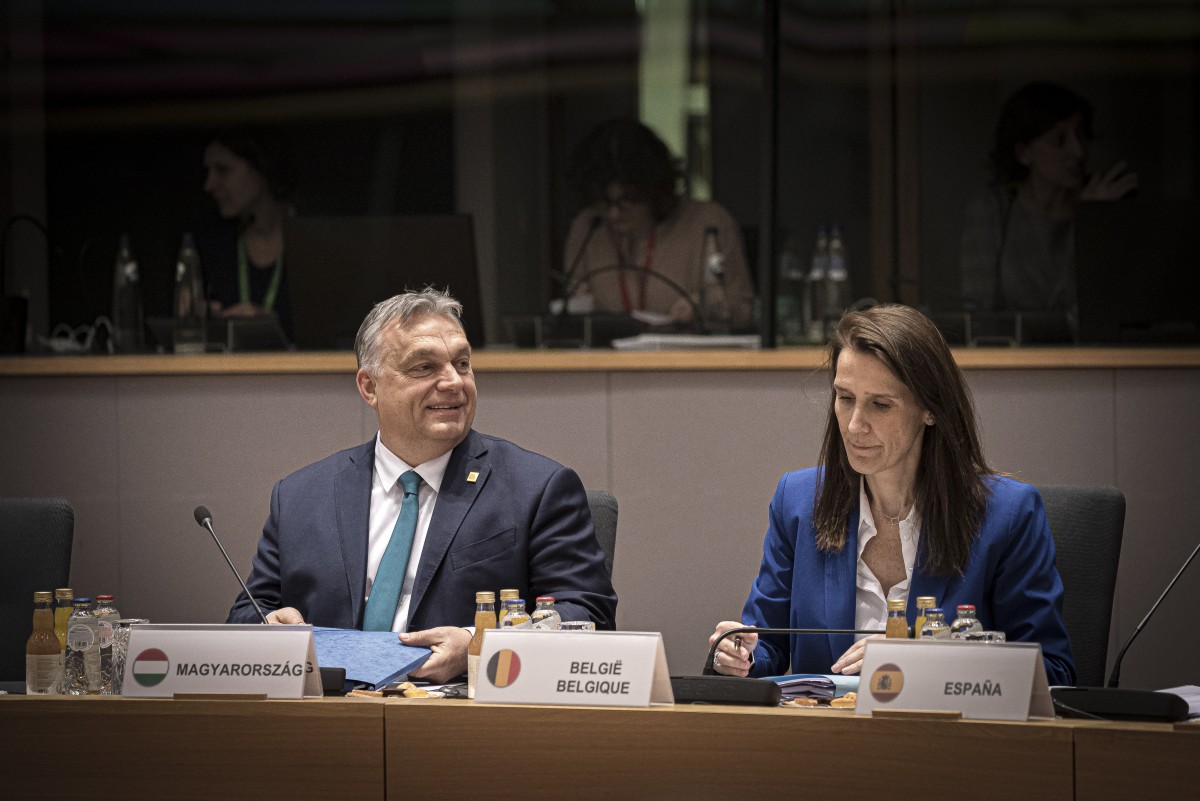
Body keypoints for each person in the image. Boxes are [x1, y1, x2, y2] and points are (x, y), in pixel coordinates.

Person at [227, 288, 617, 682]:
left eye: (462, 363)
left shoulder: (537, 488)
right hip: (330, 707)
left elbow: (587, 614)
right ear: (369, 387)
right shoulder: (301, 496)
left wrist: (478, 644)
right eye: (425, 367)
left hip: (459, 707)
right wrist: (270, 627)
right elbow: (248, 614)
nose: (453, 381)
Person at [708, 304, 1075, 686]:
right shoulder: (798, 502)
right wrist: (741, 655)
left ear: (930, 408)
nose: (854, 425)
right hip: (825, 724)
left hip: (943, 724)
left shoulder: (1009, 514)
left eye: (880, 405)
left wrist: (915, 660)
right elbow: (767, 645)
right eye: (844, 398)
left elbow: (1054, 674)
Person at [960, 82, 1137, 326]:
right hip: (1011, 348)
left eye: (1081, 135)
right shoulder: (992, 210)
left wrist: (1093, 221)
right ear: (1024, 153)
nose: (1078, 151)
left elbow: (1113, 305)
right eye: (1059, 140)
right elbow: (978, 310)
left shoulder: (1102, 202)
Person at [561, 118, 754, 330]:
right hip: (609, 349)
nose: (613, 214)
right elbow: (572, 305)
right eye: (603, 202)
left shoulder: (708, 222)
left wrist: (706, 305)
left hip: (686, 349)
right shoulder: (588, 226)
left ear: (654, 190)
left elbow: (742, 309)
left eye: (628, 200)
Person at [201, 127, 296, 340]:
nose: (209, 184)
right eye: (209, 171)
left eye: (223, 170)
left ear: (262, 169)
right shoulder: (213, 244)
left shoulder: (315, 239)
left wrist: (275, 325)